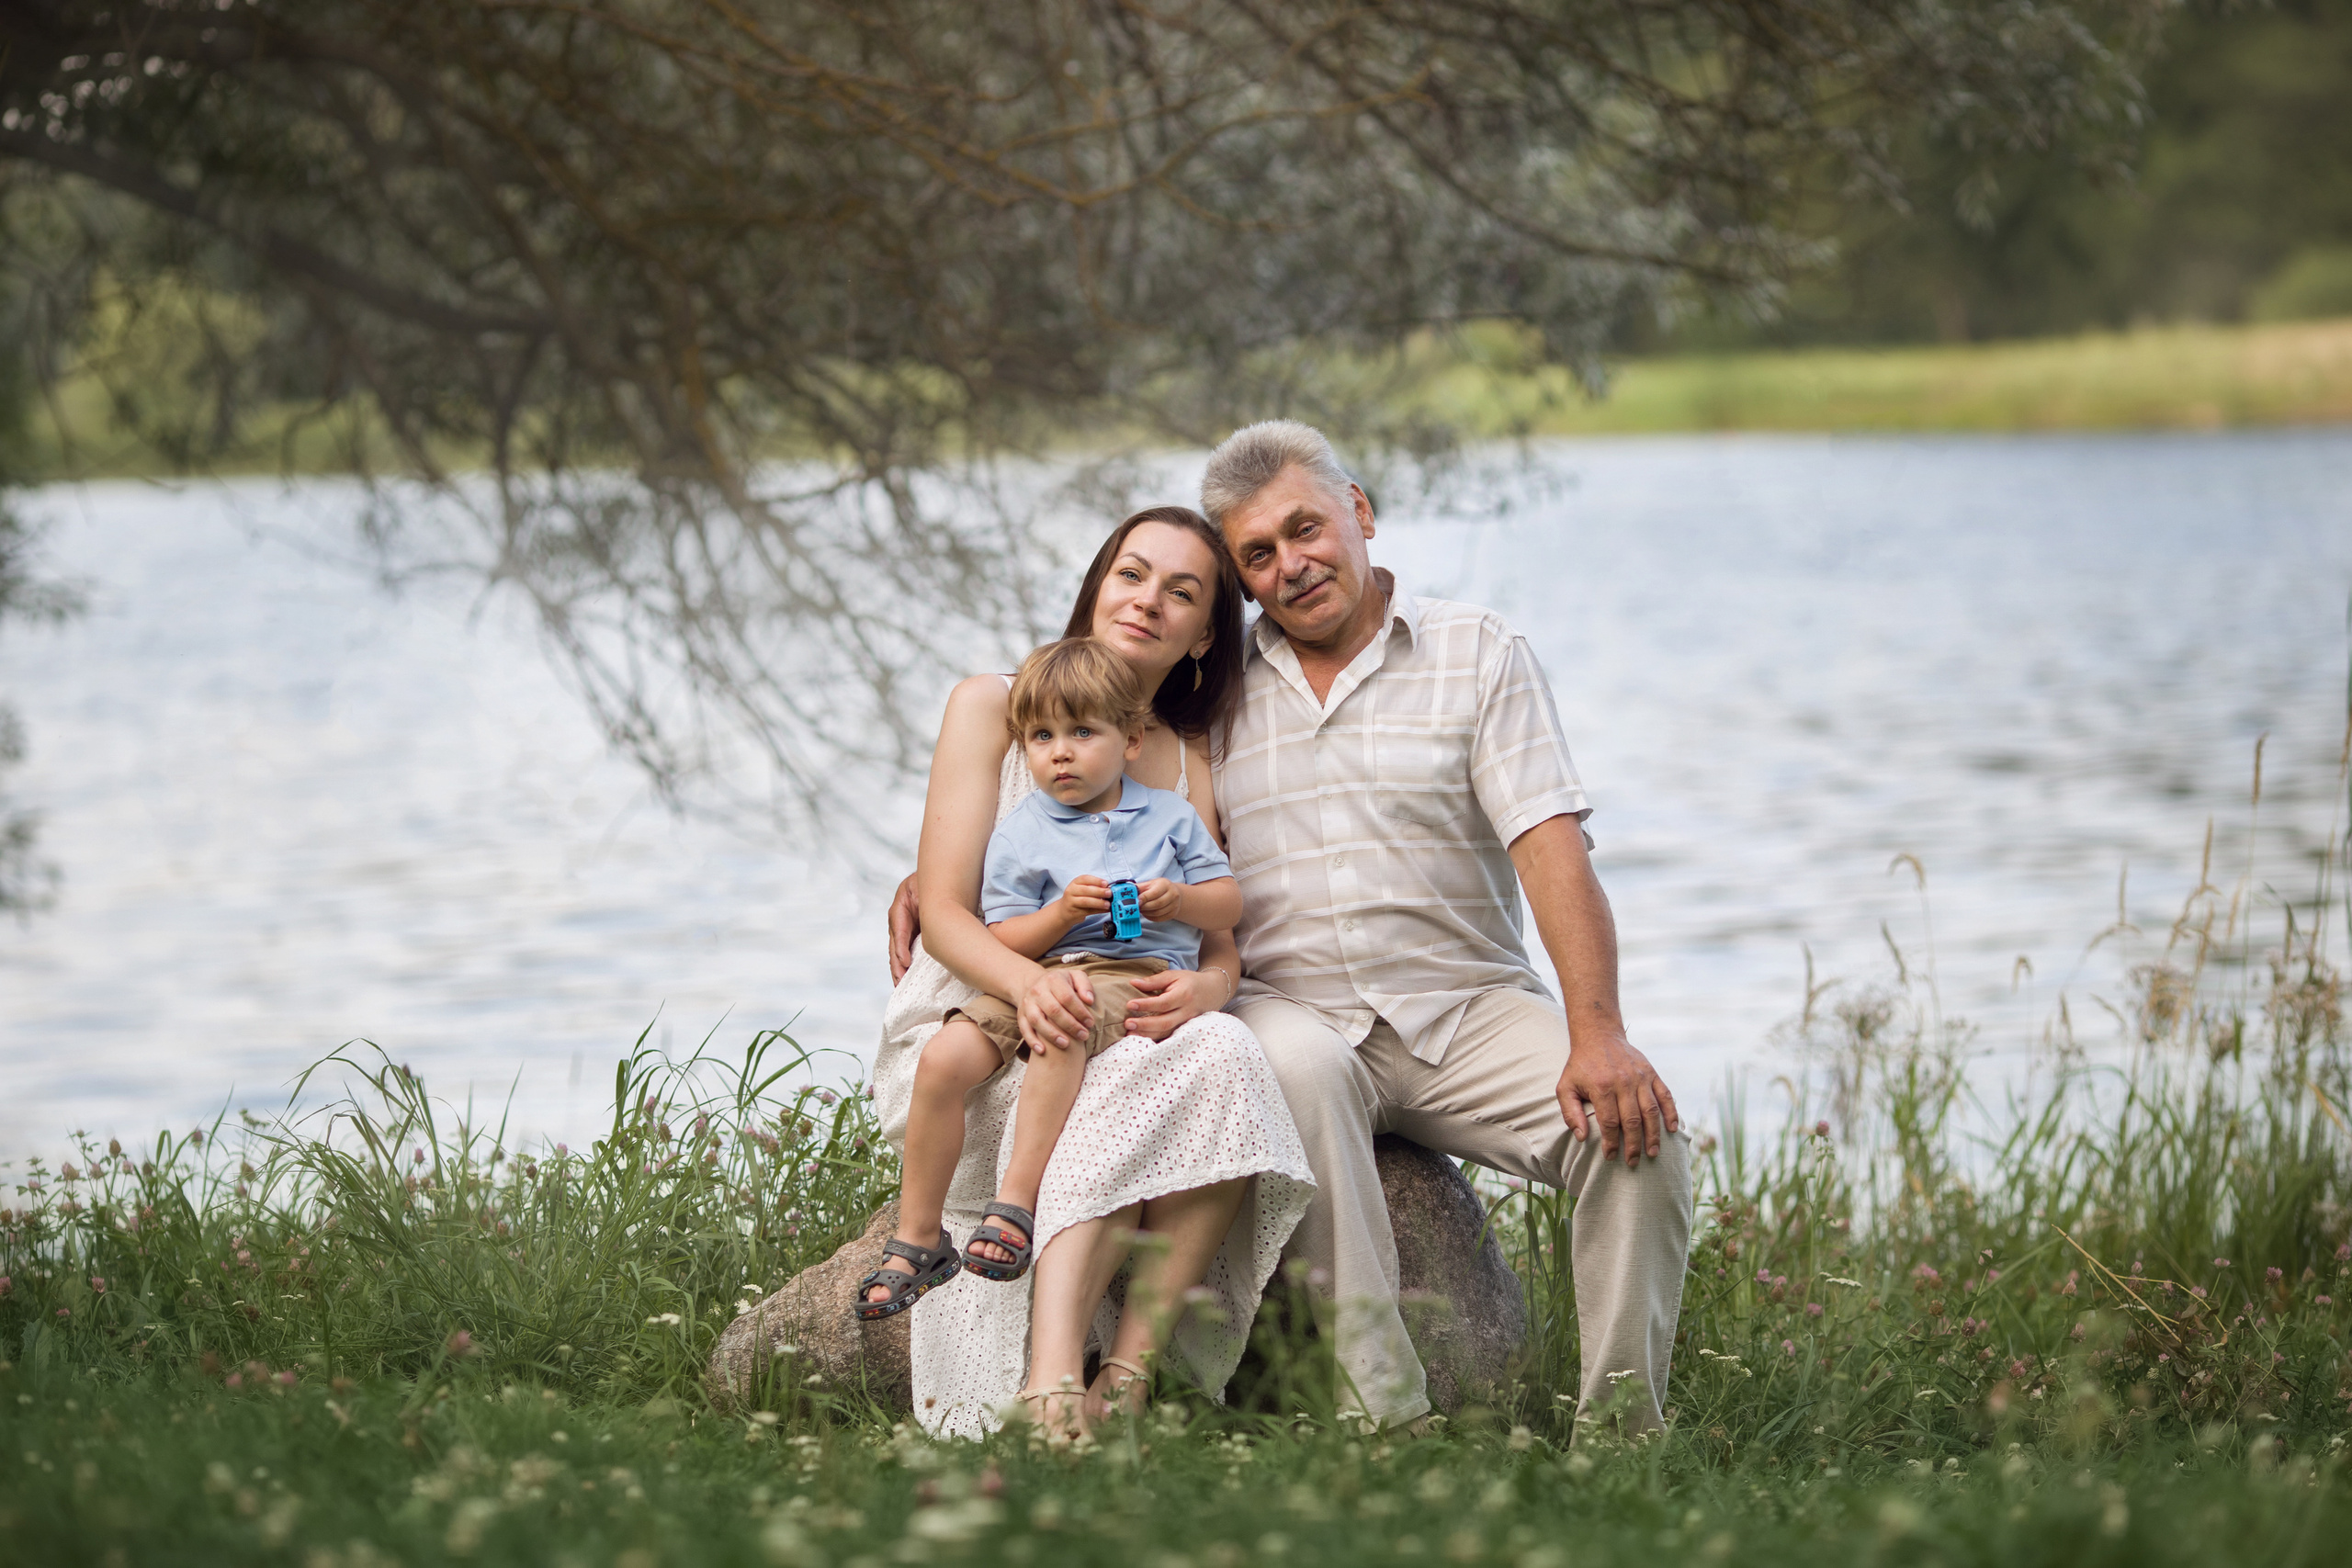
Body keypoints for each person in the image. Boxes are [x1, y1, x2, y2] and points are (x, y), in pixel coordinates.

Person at [1200, 419, 1693, 1433]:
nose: (1292, 565)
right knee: (1300, 1064)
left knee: (1639, 1141)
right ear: (1241, 577)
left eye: (1307, 528)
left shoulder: (1477, 652)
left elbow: (1551, 850)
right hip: (1294, 1015)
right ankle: (1386, 1426)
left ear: (1361, 513)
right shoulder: (1210, 694)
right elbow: (1069, 740)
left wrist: (1598, 1033)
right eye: (1259, 553)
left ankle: (1621, 1441)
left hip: (1465, 1009)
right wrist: (948, 867)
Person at [872, 505, 1312, 1439]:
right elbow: (949, 910)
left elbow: (1214, 924)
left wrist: (1205, 989)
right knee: (1102, 1057)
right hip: (993, 984)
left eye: (1182, 593)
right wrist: (1029, 982)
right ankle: (1038, 1365)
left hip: (1125, 996)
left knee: (1218, 1053)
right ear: (1097, 583)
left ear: (1203, 637)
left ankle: (1124, 1376)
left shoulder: (1189, 763)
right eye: (1131, 574)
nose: (1148, 601)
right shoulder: (993, 704)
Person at [858, 638, 1241, 1326]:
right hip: (1035, 973)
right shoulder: (1021, 832)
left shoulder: (1169, 817)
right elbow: (1001, 938)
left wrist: (1178, 901)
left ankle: (1016, 1203)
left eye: (1081, 733)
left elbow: (1229, 906)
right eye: (1041, 736)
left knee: (1063, 1021)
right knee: (945, 1056)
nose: (1059, 752)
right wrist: (1060, 913)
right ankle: (920, 1236)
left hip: (1133, 973)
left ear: (1131, 740)